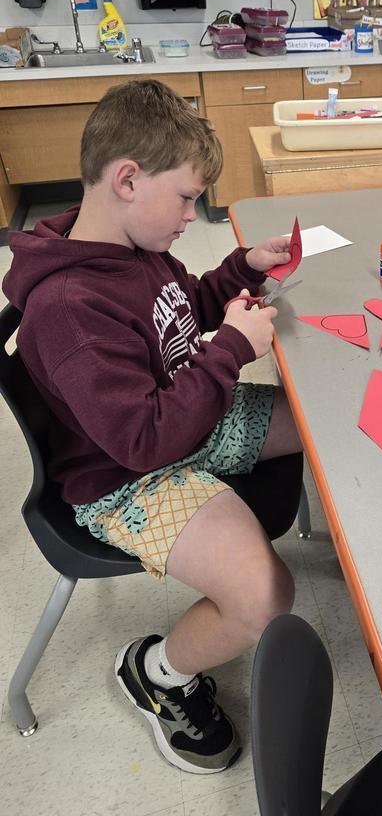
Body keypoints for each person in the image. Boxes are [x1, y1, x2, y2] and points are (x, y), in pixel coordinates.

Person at [3, 79, 304, 774]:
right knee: (265, 597)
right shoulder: (70, 308)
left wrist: (238, 271)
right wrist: (231, 349)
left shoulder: (133, 249)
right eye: (188, 197)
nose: (191, 216)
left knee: (322, 423)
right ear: (128, 180)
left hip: (181, 416)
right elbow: (145, 442)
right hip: (130, 474)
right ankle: (157, 672)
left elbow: (181, 309)